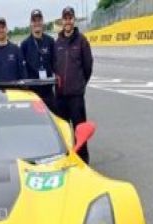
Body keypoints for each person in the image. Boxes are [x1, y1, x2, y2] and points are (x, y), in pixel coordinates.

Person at [55, 6, 94, 164]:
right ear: (62, 21)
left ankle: (83, 162)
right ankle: (65, 161)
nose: (68, 21)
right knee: (63, 134)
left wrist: (79, 84)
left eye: (70, 18)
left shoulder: (82, 41)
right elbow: (54, 66)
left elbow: (88, 67)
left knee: (80, 131)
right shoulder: (57, 42)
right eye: (65, 18)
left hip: (76, 97)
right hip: (60, 97)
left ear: (74, 20)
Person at [21, 9, 56, 110]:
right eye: (34, 20)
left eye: (39, 20)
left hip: (48, 91)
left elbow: (56, 63)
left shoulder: (50, 41)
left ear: (42, 22)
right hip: (33, 93)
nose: (37, 23)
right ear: (30, 23)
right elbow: (22, 69)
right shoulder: (25, 44)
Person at [0, 17, 27, 82]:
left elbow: (23, 75)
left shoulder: (16, 50)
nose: (1, 30)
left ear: (6, 29)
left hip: (14, 88)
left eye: (3, 27)